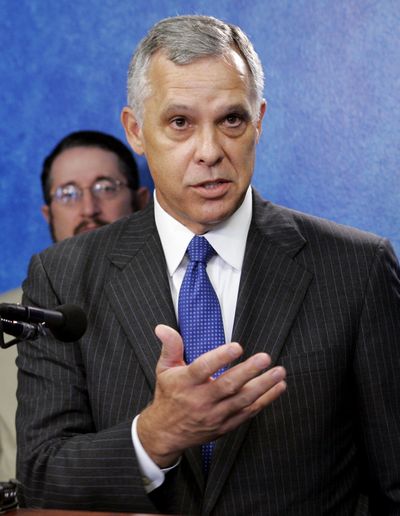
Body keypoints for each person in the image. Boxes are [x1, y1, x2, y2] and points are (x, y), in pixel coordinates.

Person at [15, 15, 400, 515]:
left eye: (231, 120)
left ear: (258, 120)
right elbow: (41, 478)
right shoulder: (60, 276)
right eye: (180, 123)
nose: (210, 151)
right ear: (135, 129)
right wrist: (153, 437)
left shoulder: (358, 268)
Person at [0, 130, 149, 481]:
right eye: (68, 194)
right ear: (47, 213)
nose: (88, 209)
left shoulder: (183, 300)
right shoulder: (6, 316)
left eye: (106, 187)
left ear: (141, 201)